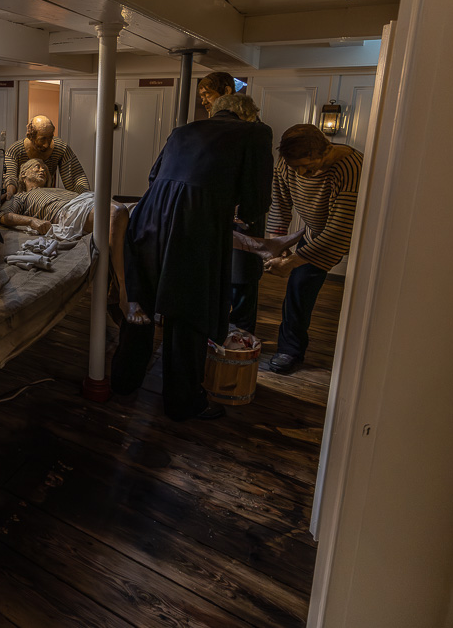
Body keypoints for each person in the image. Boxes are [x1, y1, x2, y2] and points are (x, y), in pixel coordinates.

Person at [114, 98, 273, 420]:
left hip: (149, 217)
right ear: (248, 115)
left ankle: (123, 381)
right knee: (187, 314)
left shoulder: (182, 131)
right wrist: (238, 215)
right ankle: (183, 402)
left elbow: (154, 175)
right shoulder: (256, 132)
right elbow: (257, 197)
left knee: (139, 306)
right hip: (193, 224)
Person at [253, 123, 363, 375]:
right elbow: (280, 205)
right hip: (316, 232)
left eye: (308, 167)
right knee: (299, 287)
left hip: (355, 236)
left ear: (326, 150)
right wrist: (278, 246)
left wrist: (291, 263)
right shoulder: (286, 164)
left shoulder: (351, 167)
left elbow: (339, 231)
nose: (301, 173)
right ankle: (290, 350)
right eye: (295, 168)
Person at [0, 159, 130, 314]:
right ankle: (125, 290)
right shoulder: (21, 197)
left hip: (88, 198)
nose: (42, 170)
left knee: (137, 215)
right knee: (116, 213)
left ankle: (115, 289)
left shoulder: (58, 190)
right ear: (23, 174)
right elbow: (3, 215)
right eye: (36, 167)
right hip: (69, 210)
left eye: (45, 169)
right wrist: (32, 221)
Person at [212, 92, 267, 333]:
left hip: (243, 215)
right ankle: (224, 331)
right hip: (224, 214)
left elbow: (258, 183)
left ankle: (241, 334)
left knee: (243, 275)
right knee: (223, 276)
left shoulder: (257, 133)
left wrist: (247, 214)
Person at [2, 116, 90, 200]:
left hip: (48, 195)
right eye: (42, 139)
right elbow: (10, 178)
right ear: (30, 137)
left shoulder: (60, 148)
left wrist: (86, 197)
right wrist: (10, 194)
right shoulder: (15, 151)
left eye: (50, 138)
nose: (47, 144)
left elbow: (76, 176)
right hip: (22, 196)